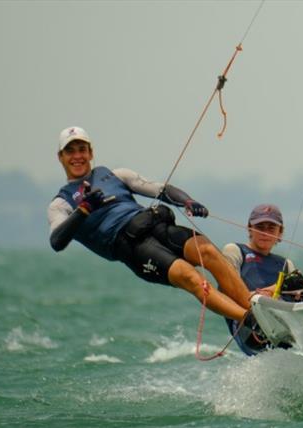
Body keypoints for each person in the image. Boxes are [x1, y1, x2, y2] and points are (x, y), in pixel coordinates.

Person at [47, 126, 251, 322]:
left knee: (208, 251)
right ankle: (250, 322)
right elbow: (57, 242)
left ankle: (255, 310)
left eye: (82, 149)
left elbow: (160, 189)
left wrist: (188, 201)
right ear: (60, 157)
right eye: (70, 151)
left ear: (91, 153)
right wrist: (83, 209)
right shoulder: (61, 204)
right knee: (192, 278)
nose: (77, 156)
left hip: (154, 224)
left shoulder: (116, 175)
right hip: (134, 248)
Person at [221, 204, 303, 355]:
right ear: (249, 228)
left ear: (280, 233)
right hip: (248, 326)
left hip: (280, 325)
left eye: (271, 228)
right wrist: (277, 288)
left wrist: (298, 294)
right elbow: (229, 293)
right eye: (260, 227)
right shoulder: (235, 251)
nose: (265, 233)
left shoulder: (286, 264)